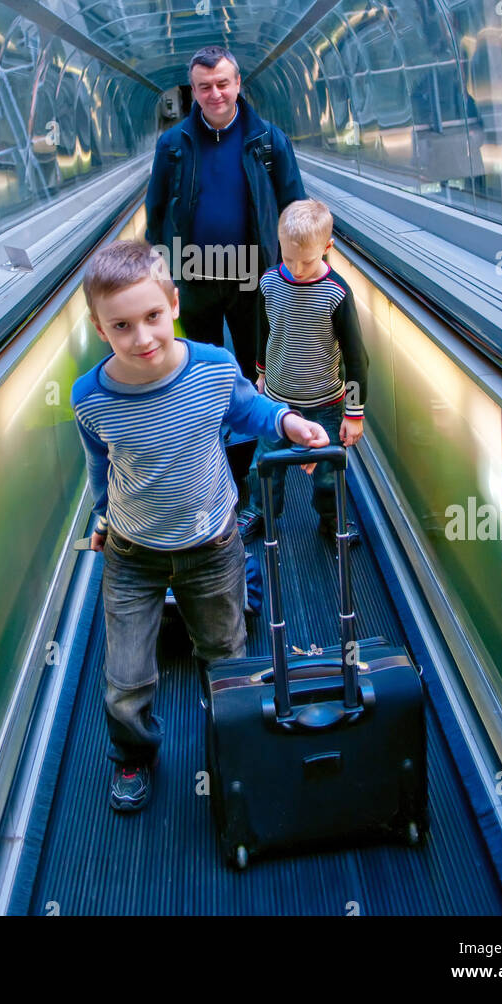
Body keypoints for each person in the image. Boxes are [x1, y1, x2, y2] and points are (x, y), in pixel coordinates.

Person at [71, 239, 330, 814]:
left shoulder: (212, 368)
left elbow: (249, 409)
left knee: (225, 653)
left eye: (152, 317)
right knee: (126, 674)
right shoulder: (90, 397)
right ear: (99, 327)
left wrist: (289, 422)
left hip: (212, 546)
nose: (141, 338)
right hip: (132, 554)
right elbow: (101, 464)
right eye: (121, 326)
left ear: (174, 304)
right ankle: (133, 754)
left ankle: (233, 740)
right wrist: (101, 517)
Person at [144, 43, 305, 390]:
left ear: (237, 84)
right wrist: (159, 272)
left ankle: (254, 436)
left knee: (258, 363)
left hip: (253, 275)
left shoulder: (269, 141)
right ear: (194, 91)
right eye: (204, 87)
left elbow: (295, 207)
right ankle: (214, 433)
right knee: (203, 369)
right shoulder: (173, 145)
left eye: (222, 84)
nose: (214, 94)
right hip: (192, 275)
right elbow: (155, 213)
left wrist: (301, 266)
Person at [237, 199, 369, 545]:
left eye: (307, 261)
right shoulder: (269, 283)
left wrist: (354, 414)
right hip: (277, 400)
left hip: (325, 402)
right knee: (264, 463)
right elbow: (265, 331)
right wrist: (261, 374)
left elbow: (357, 359)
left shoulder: (336, 293)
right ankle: (261, 511)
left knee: (328, 471)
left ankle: (331, 518)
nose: (296, 269)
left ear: (328, 248)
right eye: (288, 257)